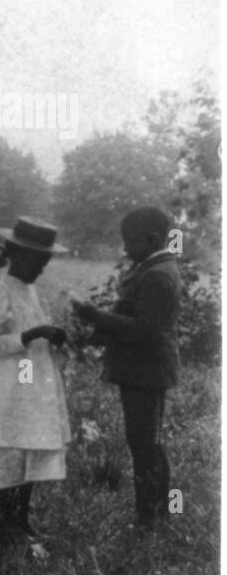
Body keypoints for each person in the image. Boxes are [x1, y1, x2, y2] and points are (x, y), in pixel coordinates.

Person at [72, 206, 181, 532]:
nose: (125, 248)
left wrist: (95, 316)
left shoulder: (158, 275)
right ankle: (160, 511)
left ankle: (149, 517)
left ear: (151, 239)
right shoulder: (153, 267)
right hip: (145, 369)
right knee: (148, 441)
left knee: (144, 443)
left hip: (146, 371)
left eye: (130, 241)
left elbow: (142, 330)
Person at [0, 218, 71, 541]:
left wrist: (51, 338)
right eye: (38, 262)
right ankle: (6, 518)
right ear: (16, 256)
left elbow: (35, 334)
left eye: (45, 263)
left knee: (30, 444)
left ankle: (20, 517)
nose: (42, 270)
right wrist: (34, 333)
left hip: (31, 381)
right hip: (9, 384)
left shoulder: (32, 293)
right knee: (11, 449)